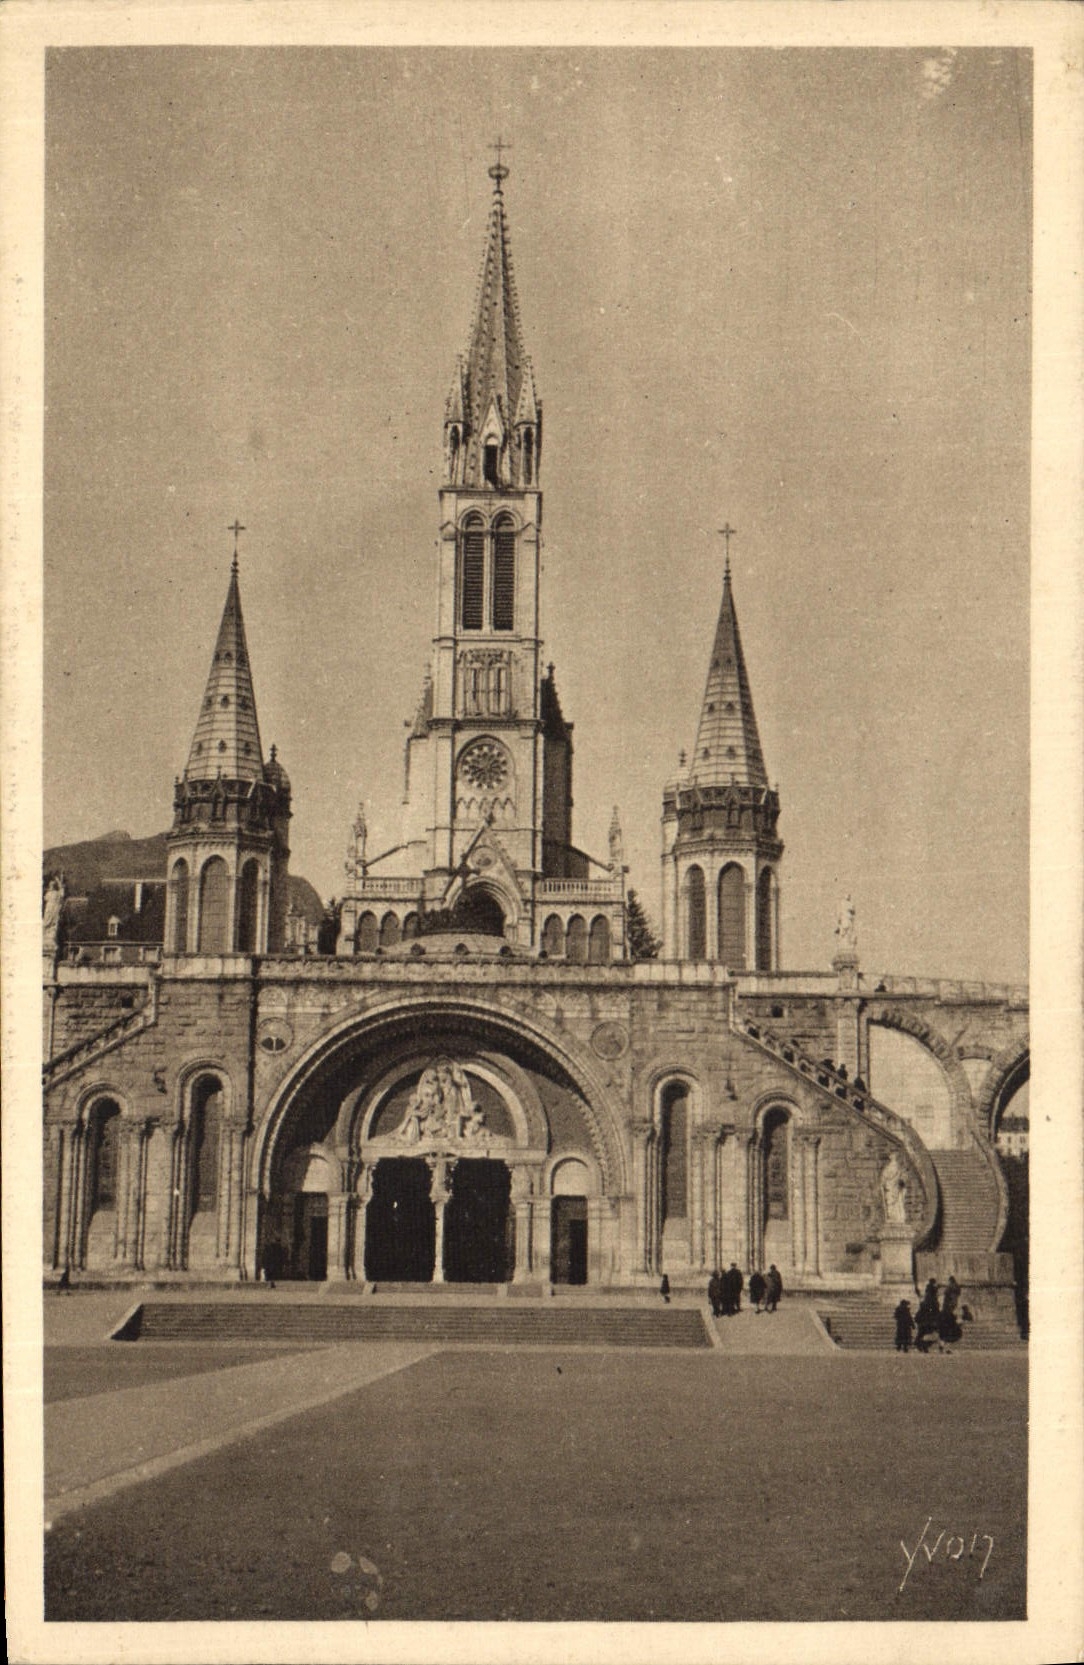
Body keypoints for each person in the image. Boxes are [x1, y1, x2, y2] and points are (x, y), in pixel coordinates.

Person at [914, 1278, 940, 1353]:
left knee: (923, 1333)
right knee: (931, 1333)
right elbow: (934, 1308)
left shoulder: (928, 1294)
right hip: (929, 1319)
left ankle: (920, 1344)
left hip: (924, 1319)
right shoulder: (932, 1297)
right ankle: (922, 1345)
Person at [940, 1275, 962, 1347]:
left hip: (949, 1305)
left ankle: (943, 1345)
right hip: (954, 1303)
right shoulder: (957, 1287)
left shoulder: (949, 1286)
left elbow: (945, 1292)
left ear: (950, 1281)